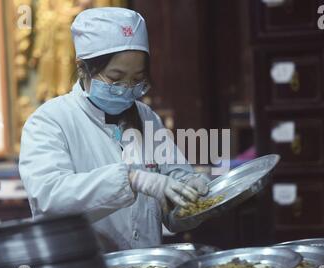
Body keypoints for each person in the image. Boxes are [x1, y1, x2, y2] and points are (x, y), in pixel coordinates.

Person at [19, 7, 210, 251]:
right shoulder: (50, 121)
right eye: (116, 78)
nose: (127, 88)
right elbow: (49, 199)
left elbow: (172, 197)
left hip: (144, 267)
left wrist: (189, 193)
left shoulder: (146, 117)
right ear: (82, 68)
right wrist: (131, 179)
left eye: (136, 79)